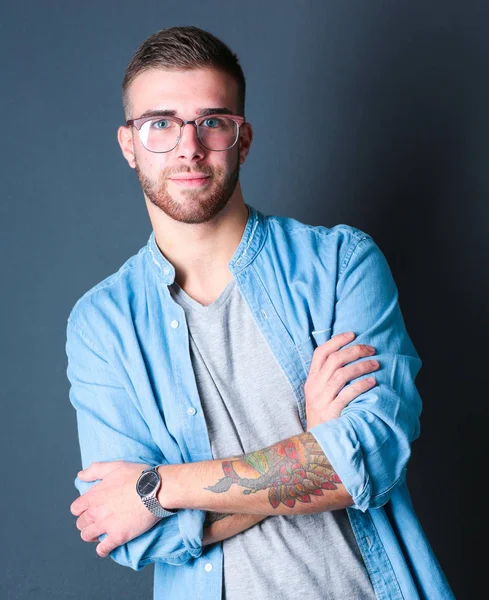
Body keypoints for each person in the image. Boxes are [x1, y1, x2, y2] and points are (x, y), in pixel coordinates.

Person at [66, 25, 455, 600]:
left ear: (242, 139)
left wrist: (158, 488)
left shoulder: (341, 264)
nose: (188, 147)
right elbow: (133, 537)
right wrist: (312, 441)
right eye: (160, 124)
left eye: (212, 122)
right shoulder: (101, 326)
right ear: (129, 144)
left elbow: (370, 455)